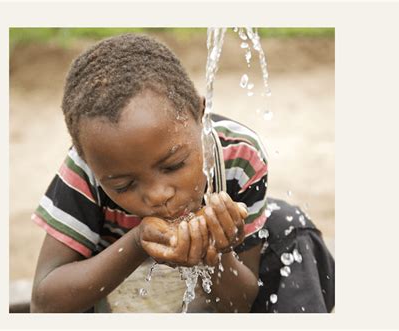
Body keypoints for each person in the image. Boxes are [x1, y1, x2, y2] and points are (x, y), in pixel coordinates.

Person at [30, 33, 334, 313]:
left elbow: (240, 306)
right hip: (116, 303)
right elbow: (44, 304)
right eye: (124, 185)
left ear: (200, 116)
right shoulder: (87, 173)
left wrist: (216, 254)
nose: (158, 194)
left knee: (285, 225)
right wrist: (137, 244)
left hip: (204, 307)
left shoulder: (238, 158)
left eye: (173, 166)